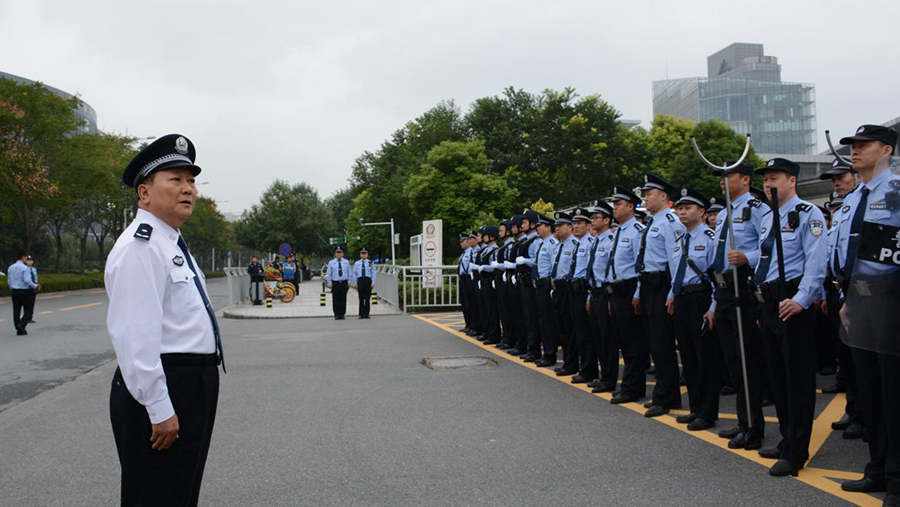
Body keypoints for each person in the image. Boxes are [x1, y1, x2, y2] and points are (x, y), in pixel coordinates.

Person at [106, 134, 224, 506]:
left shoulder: (168, 241)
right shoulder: (140, 247)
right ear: (144, 193)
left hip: (191, 382)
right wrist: (160, 408)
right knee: (155, 494)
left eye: (191, 181)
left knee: (179, 491)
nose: (188, 189)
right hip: (165, 385)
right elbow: (135, 337)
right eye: (175, 179)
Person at [835, 125, 900, 502]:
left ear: (886, 150)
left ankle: (896, 478)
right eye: (853, 146)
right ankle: (876, 468)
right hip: (858, 303)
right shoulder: (855, 196)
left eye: (864, 145)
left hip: (890, 304)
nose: (856, 151)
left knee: (893, 395)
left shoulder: (895, 192)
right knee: (870, 392)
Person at [753, 157, 827, 477]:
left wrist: (801, 300)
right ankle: (786, 440)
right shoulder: (769, 218)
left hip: (792, 303)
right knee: (778, 379)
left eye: (775, 178)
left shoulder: (808, 215)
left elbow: (816, 262)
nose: (769, 184)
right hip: (770, 304)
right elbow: (765, 263)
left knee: (796, 380)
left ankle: (797, 450)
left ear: (792, 181)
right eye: (766, 179)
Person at [709, 160, 769, 451]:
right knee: (733, 361)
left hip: (742, 287)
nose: (722, 181)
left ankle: (755, 427)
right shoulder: (723, 213)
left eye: (727, 175)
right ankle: (743, 420)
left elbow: (769, 246)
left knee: (748, 361)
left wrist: (748, 257)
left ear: (745, 180)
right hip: (722, 290)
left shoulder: (758, 209)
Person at [669, 188, 720, 431]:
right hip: (682, 300)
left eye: (687, 208)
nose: (682, 212)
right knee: (688, 357)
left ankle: (708, 412)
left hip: (701, 300)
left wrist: (713, 308)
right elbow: (677, 273)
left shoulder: (709, 237)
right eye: (679, 208)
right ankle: (696, 408)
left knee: (705, 358)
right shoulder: (680, 240)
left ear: (701, 212)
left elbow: (715, 277)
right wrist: (672, 294)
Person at [636, 173, 685, 418]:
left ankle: (665, 397)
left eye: (649, 193)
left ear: (663, 196)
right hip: (647, 286)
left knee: (663, 343)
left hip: (662, 286)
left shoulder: (670, 222)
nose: (645, 197)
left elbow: (675, 259)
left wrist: (674, 291)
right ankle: (666, 394)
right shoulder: (652, 222)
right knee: (655, 342)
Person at [606, 186, 648, 405]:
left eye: (619, 204)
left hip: (630, 288)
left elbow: (640, 266)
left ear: (631, 206)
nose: (615, 208)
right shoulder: (619, 231)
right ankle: (632, 385)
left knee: (633, 342)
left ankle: (632, 387)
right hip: (618, 291)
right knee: (625, 340)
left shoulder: (637, 231)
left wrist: (638, 292)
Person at [586, 200, 620, 393]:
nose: (593, 221)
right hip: (595, 293)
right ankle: (603, 376)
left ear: (607, 220)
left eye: (596, 218)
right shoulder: (596, 241)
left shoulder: (611, 240)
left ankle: (610, 379)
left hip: (606, 293)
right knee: (598, 337)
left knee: (608, 339)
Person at [568, 207, 599, 384]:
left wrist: (589, 294)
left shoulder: (590, 243)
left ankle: (589, 370)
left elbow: (591, 271)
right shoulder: (577, 244)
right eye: (574, 223)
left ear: (588, 225)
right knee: (578, 331)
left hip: (584, 290)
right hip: (574, 289)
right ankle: (585, 367)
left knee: (586, 333)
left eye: (580, 223)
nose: (576, 226)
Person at [549, 211, 579, 377]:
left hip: (568, 289)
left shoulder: (574, 244)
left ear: (570, 226)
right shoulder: (558, 246)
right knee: (562, 327)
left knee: (570, 327)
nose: (557, 229)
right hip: (557, 289)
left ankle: (572, 363)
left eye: (561, 226)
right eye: (556, 226)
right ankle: (568, 361)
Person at [515, 211, 544, 363]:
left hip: (531, 283)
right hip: (523, 282)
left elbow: (537, 261)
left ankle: (535, 350)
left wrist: (525, 261)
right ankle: (530, 347)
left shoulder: (536, 241)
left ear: (532, 224)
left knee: (532, 318)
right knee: (527, 317)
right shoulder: (527, 241)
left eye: (525, 223)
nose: (522, 225)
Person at [533, 215, 560, 368]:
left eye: (540, 225)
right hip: (540, 286)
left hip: (546, 286)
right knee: (542, 320)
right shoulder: (543, 244)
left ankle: (550, 354)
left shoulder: (552, 244)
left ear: (548, 228)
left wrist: (551, 287)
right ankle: (546, 353)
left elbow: (553, 267)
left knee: (548, 322)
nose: (537, 228)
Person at [6, 251, 37, 335]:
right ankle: (21, 325)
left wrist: (12, 288)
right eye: (26, 257)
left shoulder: (11, 267)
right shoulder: (24, 268)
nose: (26, 259)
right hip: (24, 291)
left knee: (16, 311)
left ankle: (19, 328)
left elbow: (9, 281)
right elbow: (28, 281)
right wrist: (35, 286)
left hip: (14, 291)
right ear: (23, 257)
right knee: (29, 310)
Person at [326, 247, 351, 320]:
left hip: (344, 282)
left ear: (342, 254)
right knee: (335, 298)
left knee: (343, 298)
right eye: (337, 252)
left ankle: (342, 314)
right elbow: (329, 273)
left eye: (340, 252)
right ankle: (336, 314)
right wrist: (329, 282)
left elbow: (349, 272)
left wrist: (349, 281)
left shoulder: (346, 262)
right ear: (335, 254)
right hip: (335, 282)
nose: (338, 254)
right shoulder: (331, 262)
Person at [352, 248, 376, 319]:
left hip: (368, 280)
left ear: (367, 254)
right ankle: (361, 313)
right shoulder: (357, 263)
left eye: (365, 253)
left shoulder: (370, 262)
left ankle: (367, 313)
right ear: (360, 255)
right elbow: (355, 273)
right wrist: (355, 283)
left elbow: (373, 273)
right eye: (362, 253)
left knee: (367, 298)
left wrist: (373, 282)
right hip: (360, 280)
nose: (363, 255)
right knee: (361, 297)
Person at [25, 255, 38, 323]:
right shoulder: (24, 269)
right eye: (28, 261)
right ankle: (26, 317)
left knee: (32, 303)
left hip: (33, 288)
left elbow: (35, 278)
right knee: (27, 303)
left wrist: (36, 286)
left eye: (31, 261)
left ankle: (30, 317)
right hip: (27, 288)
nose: (30, 262)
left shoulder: (34, 269)